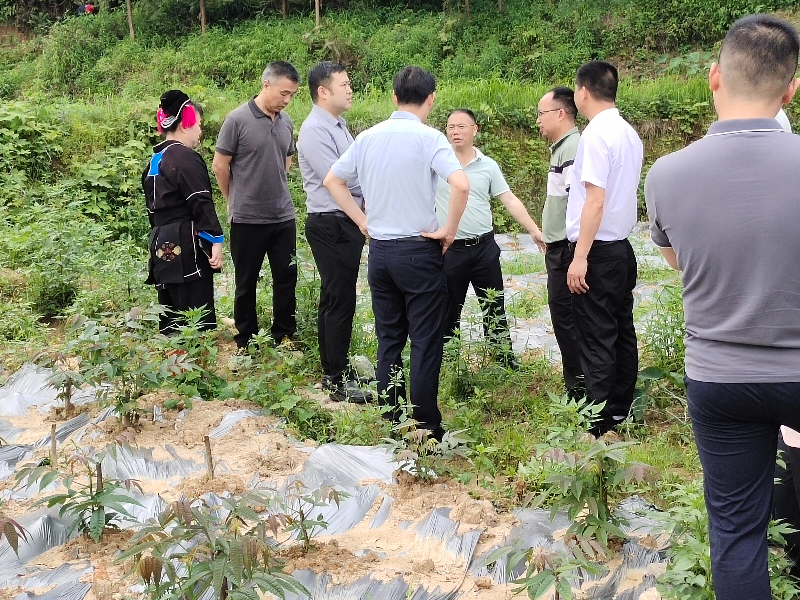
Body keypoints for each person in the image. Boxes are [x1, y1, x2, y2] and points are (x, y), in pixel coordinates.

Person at [644, 14, 800, 600]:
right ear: (791, 89)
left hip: (721, 377)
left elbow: (679, 262)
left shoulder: (666, 174)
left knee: (737, 532)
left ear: (713, 78)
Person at [323, 66, 470, 440]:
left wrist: (362, 221)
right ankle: (425, 426)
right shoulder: (429, 138)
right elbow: (461, 184)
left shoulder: (368, 137)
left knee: (389, 339)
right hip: (419, 250)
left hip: (381, 255)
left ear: (393, 97)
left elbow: (332, 181)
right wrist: (449, 231)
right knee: (424, 339)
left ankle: (392, 419)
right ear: (431, 99)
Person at [566, 60, 643, 435]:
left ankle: (596, 422)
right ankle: (618, 411)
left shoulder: (595, 135)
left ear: (582, 92)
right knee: (621, 330)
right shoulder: (628, 132)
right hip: (621, 249)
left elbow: (594, 200)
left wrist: (580, 257)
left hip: (596, 249)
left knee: (596, 336)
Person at [434, 108, 545, 367]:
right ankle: (449, 362)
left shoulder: (488, 165)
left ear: (475, 129)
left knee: (494, 306)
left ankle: (503, 358)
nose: (455, 131)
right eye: (451, 126)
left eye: (462, 126)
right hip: (450, 250)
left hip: (484, 247)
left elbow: (508, 199)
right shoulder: (437, 164)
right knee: (449, 309)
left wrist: (534, 230)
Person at [297, 61, 372, 403]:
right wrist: (362, 217)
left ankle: (335, 368)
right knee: (339, 298)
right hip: (333, 221)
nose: (350, 89)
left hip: (342, 218)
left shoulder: (338, 125)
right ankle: (335, 378)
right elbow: (339, 177)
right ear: (323, 91)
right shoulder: (315, 129)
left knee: (335, 296)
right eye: (344, 84)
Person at [212, 61, 300, 350]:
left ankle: (284, 335)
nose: (286, 100)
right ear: (266, 85)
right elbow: (220, 166)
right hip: (247, 218)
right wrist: (233, 199)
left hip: (282, 216)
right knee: (246, 282)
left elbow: (286, 161)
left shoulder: (286, 122)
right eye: (283, 93)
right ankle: (245, 340)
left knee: (286, 278)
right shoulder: (236, 120)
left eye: (292, 95)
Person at [143, 90, 224, 335]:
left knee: (171, 310)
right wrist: (215, 239)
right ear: (186, 122)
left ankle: (174, 365)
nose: (200, 131)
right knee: (194, 313)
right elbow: (200, 201)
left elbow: (151, 212)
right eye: (198, 124)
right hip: (186, 241)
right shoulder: (185, 158)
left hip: (160, 242)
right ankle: (195, 365)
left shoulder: (154, 160)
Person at [536, 87, 584, 395]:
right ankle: (578, 386)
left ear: (561, 113)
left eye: (541, 114)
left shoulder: (572, 148)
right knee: (565, 317)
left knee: (568, 319)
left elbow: (576, 202)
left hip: (566, 248)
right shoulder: (563, 147)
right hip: (560, 246)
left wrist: (573, 252)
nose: (538, 120)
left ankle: (579, 389)